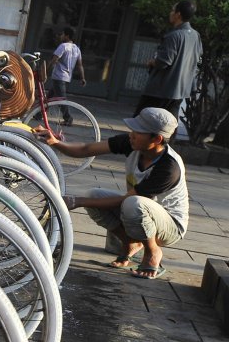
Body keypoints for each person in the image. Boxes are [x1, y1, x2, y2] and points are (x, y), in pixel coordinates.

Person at [37, 107, 187, 280]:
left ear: (157, 138)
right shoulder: (132, 143)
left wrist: (77, 201)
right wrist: (54, 142)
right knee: (94, 195)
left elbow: (126, 200)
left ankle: (152, 252)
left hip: (170, 226)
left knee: (133, 204)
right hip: (139, 209)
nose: (131, 134)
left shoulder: (169, 168)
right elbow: (86, 149)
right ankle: (130, 243)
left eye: (138, 132)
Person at [135, 0, 202, 119]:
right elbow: (198, 60)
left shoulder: (174, 35)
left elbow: (164, 62)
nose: (170, 13)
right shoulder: (195, 35)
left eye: (172, 10)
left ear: (178, 14)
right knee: (168, 128)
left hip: (161, 90)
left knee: (141, 123)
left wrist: (152, 62)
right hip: (180, 91)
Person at [46, 26, 86, 125]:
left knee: (61, 100)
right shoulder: (77, 49)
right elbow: (80, 65)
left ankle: (68, 119)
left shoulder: (63, 46)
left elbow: (54, 60)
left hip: (59, 76)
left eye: (62, 34)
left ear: (67, 36)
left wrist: (45, 71)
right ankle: (39, 114)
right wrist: (83, 78)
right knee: (50, 97)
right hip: (67, 78)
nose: (61, 36)